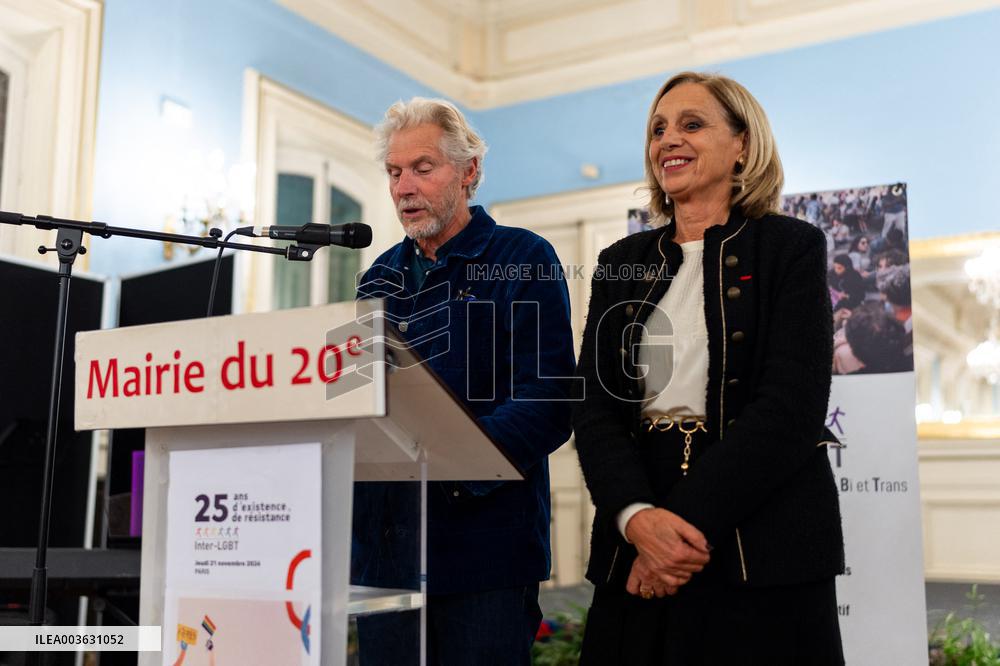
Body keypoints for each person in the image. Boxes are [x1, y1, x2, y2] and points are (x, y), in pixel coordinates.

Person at [573, 71, 845, 664]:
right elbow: (594, 408)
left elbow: (791, 409)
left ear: (743, 144)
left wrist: (676, 531)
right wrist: (638, 520)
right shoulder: (621, 261)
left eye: (691, 124)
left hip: (763, 544)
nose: (668, 139)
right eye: (657, 129)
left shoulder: (791, 247)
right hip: (635, 545)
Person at [351, 97, 576, 665]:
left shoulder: (523, 256)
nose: (404, 186)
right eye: (394, 172)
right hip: (385, 559)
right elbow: (361, 400)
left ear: (470, 170)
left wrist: (455, 462)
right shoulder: (378, 275)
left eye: (423, 168)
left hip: (484, 553)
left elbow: (549, 397)